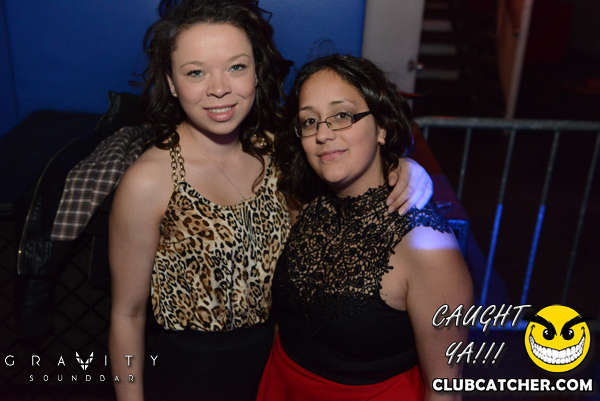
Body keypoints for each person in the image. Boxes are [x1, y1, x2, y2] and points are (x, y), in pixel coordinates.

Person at [108, 1, 433, 400]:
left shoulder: (278, 151)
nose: (219, 88)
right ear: (172, 83)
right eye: (196, 72)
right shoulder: (149, 181)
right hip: (189, 379)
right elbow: (127, 316)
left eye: (236, 67)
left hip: (277, 370)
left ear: (257, 73)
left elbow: (351, 158)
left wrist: (404, 165)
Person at [257, 54, 473, 401]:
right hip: (281, 386)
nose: (323, 134)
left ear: (382, 128)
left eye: (342, 115)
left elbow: (444, 392)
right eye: (309, 121)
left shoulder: (428, 247)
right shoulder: (305, 203)